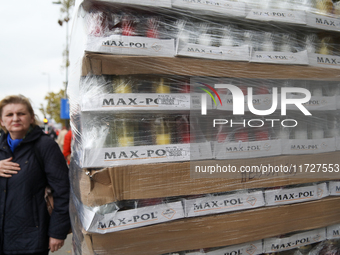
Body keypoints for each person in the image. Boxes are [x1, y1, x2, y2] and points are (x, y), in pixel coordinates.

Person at [0, 95, 71, 255]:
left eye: (21, 114)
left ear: (32, 118)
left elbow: (63, 191)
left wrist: (57, 232)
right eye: (9, 115)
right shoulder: (1, 147)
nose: (15, 118)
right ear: (2, 121)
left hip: (30, 239)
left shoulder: (44, 146)